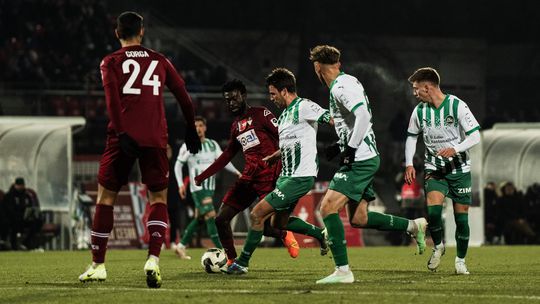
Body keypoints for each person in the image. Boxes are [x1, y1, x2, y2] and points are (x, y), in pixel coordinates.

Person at [78, 11, 201, 288]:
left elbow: (111, 100)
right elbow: (183, 95)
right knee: (158, 198)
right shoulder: (159, 60)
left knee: (105, 198)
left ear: (116, 32)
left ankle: (98, 265)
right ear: (142, 31)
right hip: (155, 137)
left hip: (122, 136)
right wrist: (191, 128)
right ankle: (153, 259)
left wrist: (121, 133)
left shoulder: (110, 61)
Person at [309, 45, 427, 284]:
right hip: (364, 155)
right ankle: (413, 226)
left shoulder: (341, 86)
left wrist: (350, 150)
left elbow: (362, 116)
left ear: (317, 67)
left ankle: (343, 271)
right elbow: (355, 122)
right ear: (338, 64)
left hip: (361, 158)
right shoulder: (345, 83)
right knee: (359, 218)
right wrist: (340, 145)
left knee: (328, 208)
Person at [227, 68, 330, 274]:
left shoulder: (304, 106)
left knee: (257, 214)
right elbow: (291, 143)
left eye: (273, 93)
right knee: (278, 222)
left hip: (300, 176)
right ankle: (321, 235)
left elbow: (331, 119)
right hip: (286, 177)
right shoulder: (283, 117)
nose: (271, 98)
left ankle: (242, 263)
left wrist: (348, 142)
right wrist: (277, 155)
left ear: (284, 91)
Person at [194, 79, 297, 265]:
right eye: (227, 100)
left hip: (270, 176)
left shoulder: (261, 114)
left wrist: (285, 164)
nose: (230, 103)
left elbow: (284, 136)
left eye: (234, 98)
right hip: (248, 178)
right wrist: (203, 176)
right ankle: (231, 261)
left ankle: (285, 233)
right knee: (220, 219)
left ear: (243, 96)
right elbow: (227, 155)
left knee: (267, 227)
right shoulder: (235, 126)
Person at [404, 67, 481, 275]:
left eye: (416, 88)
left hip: (459, 169)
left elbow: (475, 136)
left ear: (427, 87)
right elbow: (412, 136)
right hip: (434, 168)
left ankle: (460, 261)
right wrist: (409, 163)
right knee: (434, 212)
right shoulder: (419, 110)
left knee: (461, 219)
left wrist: (455, 149)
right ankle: (438, 246)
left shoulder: (457, 106)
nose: (415, 93)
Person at [174, 116, 241, 259]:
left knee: (199, 219)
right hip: (198, 188)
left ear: (205, 127)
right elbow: (178, 165)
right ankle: (223, 251)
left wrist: (236, 171)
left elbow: (223, 160)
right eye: (195, 126)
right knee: (211, 216)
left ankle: (180, 246)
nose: (198, 129)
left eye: (200, 125)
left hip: (210, 187)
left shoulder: (212, 144)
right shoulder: (188, 145)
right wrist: (180, 184)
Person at [3, 177, 43, 250]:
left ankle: (27, 243)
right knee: (13, 224)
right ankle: (14, 246)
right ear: (15, 185)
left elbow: (31, 206)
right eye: (19, 185)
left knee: (37, 222)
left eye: (22, 185)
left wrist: (32, 213)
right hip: (13, 219)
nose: (21, 187)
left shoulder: (27, 196)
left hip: (25, 219)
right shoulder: (9, 196)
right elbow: (8, 211)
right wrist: (18, 215)